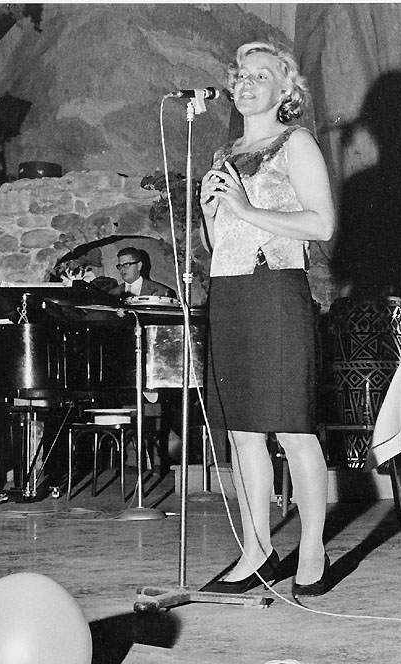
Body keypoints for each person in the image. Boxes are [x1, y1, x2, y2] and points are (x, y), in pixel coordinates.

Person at [199, 41, 335, 599]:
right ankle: (257, 550)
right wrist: (210, 213)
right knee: (243, 432)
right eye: (241, 75)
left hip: (276, 291)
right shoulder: (224, 154)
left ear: (285, 91)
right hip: (229, 294)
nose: (246, 83)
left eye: (261, 75)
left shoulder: (295, 143)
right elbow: (219, 242)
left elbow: (322, 225)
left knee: (294, 429)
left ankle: (313, 549)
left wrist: (247, 209)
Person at [109, 247, 176, 300]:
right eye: (120, 266)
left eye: (127, 265)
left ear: (139, 266)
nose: (122, 269)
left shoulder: (160, 291)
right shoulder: (113, 294)